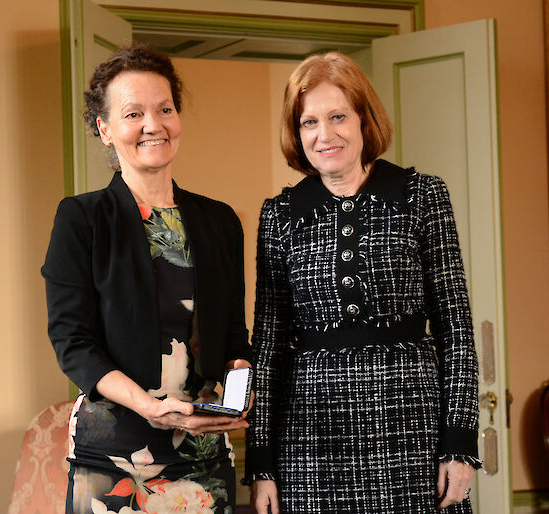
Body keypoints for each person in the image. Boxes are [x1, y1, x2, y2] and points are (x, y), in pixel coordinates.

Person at [244, 52, 481, 513]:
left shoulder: (422, 195)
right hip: (310, 441)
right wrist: (262, 465)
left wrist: (460, 443)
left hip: (413, 433)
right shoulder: (279, 215)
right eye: (309, 121)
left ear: (363, 120)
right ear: (296, 133)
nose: (324, 134)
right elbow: (268, 346)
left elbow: (457, 329)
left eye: (338, 117)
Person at [42, 44, 251, 514]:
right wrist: (150, 406)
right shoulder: (81, 218)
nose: (153, 125)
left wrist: (239, 389)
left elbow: (235, 337)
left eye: (165, 109)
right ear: (105, 129)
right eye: (133, 113)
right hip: (113, 455)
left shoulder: (220, 221)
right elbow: (72, 342)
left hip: (204, 454)